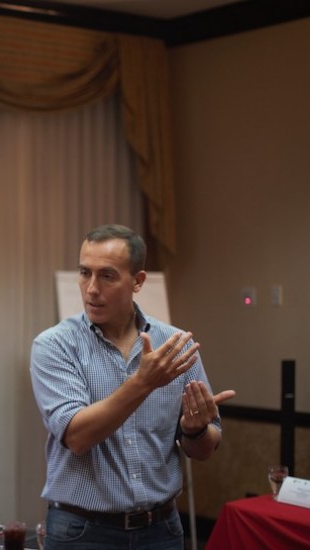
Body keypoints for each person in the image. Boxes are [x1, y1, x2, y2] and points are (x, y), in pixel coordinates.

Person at [30, 224, 236, 550]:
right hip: (83, 533)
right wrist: (142, 383)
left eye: (107, 276)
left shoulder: (174, 345)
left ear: (137, 281)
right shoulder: (55, 345)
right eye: (85, 273)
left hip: (161, 530)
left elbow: (205, 449)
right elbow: (77, 436)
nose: (91, 289)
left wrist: (196, 430)